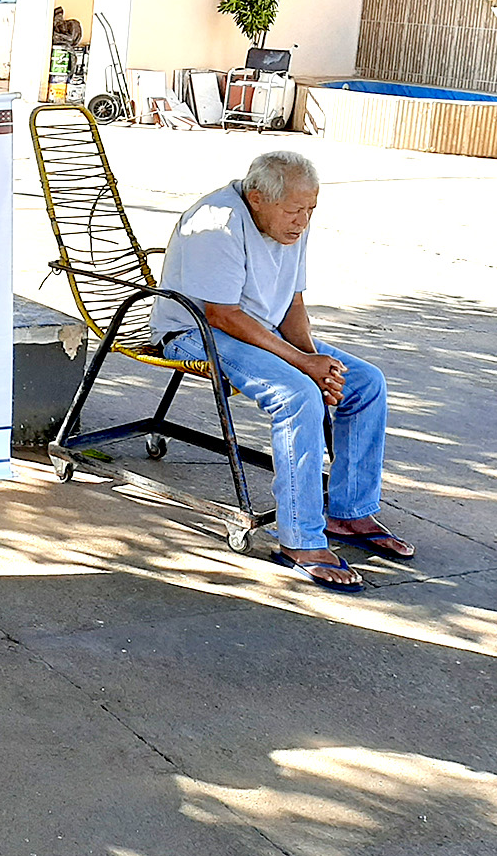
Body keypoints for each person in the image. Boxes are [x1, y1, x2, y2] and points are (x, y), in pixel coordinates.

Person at [149, 150, 414, 591]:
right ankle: (300, 539)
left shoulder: (291, 222)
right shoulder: (217, 223)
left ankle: (348, 514)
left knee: (365, 383)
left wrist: (319, 364)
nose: (303, 221)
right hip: (196, 330)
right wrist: (302, 367)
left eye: (311, 210)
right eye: (295, 210)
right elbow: (222, 314)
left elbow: (292, 304)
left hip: (259, 326)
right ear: (257, 198)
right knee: (297, 395)